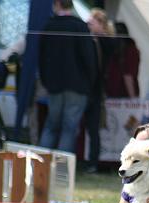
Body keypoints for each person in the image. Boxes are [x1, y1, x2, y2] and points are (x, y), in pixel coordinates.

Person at [38, 0, 96, 153]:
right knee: (69, 128)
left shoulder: (49, 26)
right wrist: (90, 83)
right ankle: (61, 170)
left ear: (57, 4)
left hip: (54, 86)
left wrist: (46, 81)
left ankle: (40, 166)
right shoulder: (80, 26)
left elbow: (41, 58)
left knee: (51, 125)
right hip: (78, 86)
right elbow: (89, 58)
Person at [84, 8, 114, 173]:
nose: (88, 25)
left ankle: (93, 163)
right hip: (88, 90)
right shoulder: (91, 39)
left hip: (96, 92)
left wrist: (99, 36)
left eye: (91, 22)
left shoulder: (106, 41)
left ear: (100, 24)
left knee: (93, 128)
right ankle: (88, 162)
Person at [106, 22, 140, 98]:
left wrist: (132, 97)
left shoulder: (128, 49)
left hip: (118, 93)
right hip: (118, 94)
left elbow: (128, 75)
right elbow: (128, 75)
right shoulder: (129, 49)